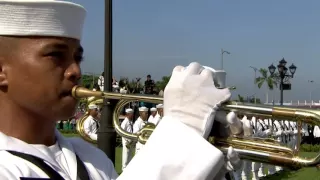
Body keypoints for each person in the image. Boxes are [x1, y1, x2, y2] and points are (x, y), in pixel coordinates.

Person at [0, 0, 243, 179]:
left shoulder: (92, 159)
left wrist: (203, 165)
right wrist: (182, 131)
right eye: (55, 55)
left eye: (77, 57)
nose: (75, 70)